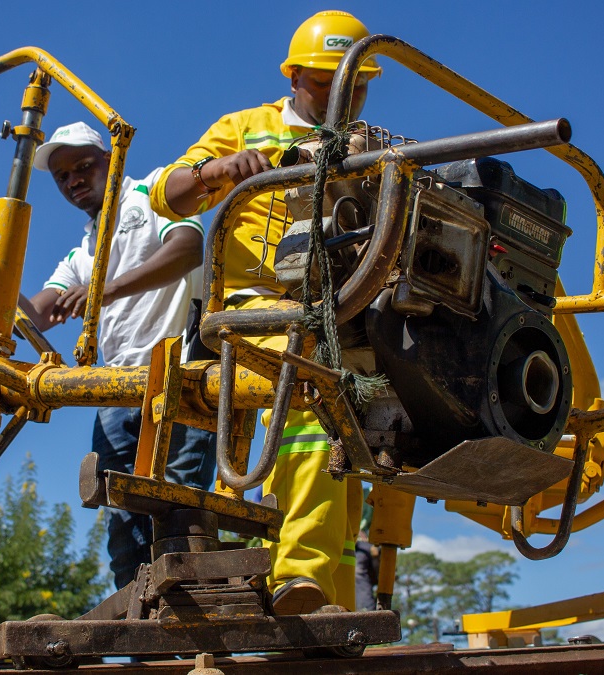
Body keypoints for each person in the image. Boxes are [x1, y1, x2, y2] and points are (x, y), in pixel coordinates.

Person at [149, 10, 380, 614]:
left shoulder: (370, 148)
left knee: (359, 427)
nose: (350, 95)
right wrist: (219, 172)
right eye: (337, 82)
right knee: (314, 388)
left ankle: (327, 602)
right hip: (255, 309)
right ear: (298, 75)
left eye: (360, 83)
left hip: (340, 309)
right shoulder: (246, 127)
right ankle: (296, 575)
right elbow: (166, 194)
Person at [19, 122, 218, 590]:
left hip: (180, 377)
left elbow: (189, 249)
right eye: (62, 177)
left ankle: (187, 641)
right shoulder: (82, 251)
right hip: (116, 390)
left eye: (84, 167)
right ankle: (141, 643)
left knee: (177, 515)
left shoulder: (154, 195)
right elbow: (38, 314)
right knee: (124, 527)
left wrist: (102, 291)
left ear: (113, 162)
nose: (73, 181)